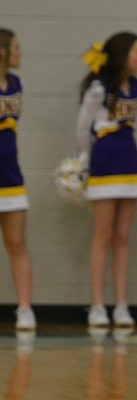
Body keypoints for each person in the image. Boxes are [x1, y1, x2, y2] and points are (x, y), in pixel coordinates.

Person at [76, 32, 137, 328]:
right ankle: (96, 306)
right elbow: (82, 128)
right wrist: (83, 161)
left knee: (122, 238)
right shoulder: (98, 88)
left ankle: (121, 304)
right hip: (105, 161)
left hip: (130, 160)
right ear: (123, 56)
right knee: (102, 237)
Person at [0, 28, 36, 331]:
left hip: (11, 176)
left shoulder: (17, 84)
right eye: (16, 47)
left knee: (17, 243)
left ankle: (25, 309)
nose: (20, 53)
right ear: (2, 52)